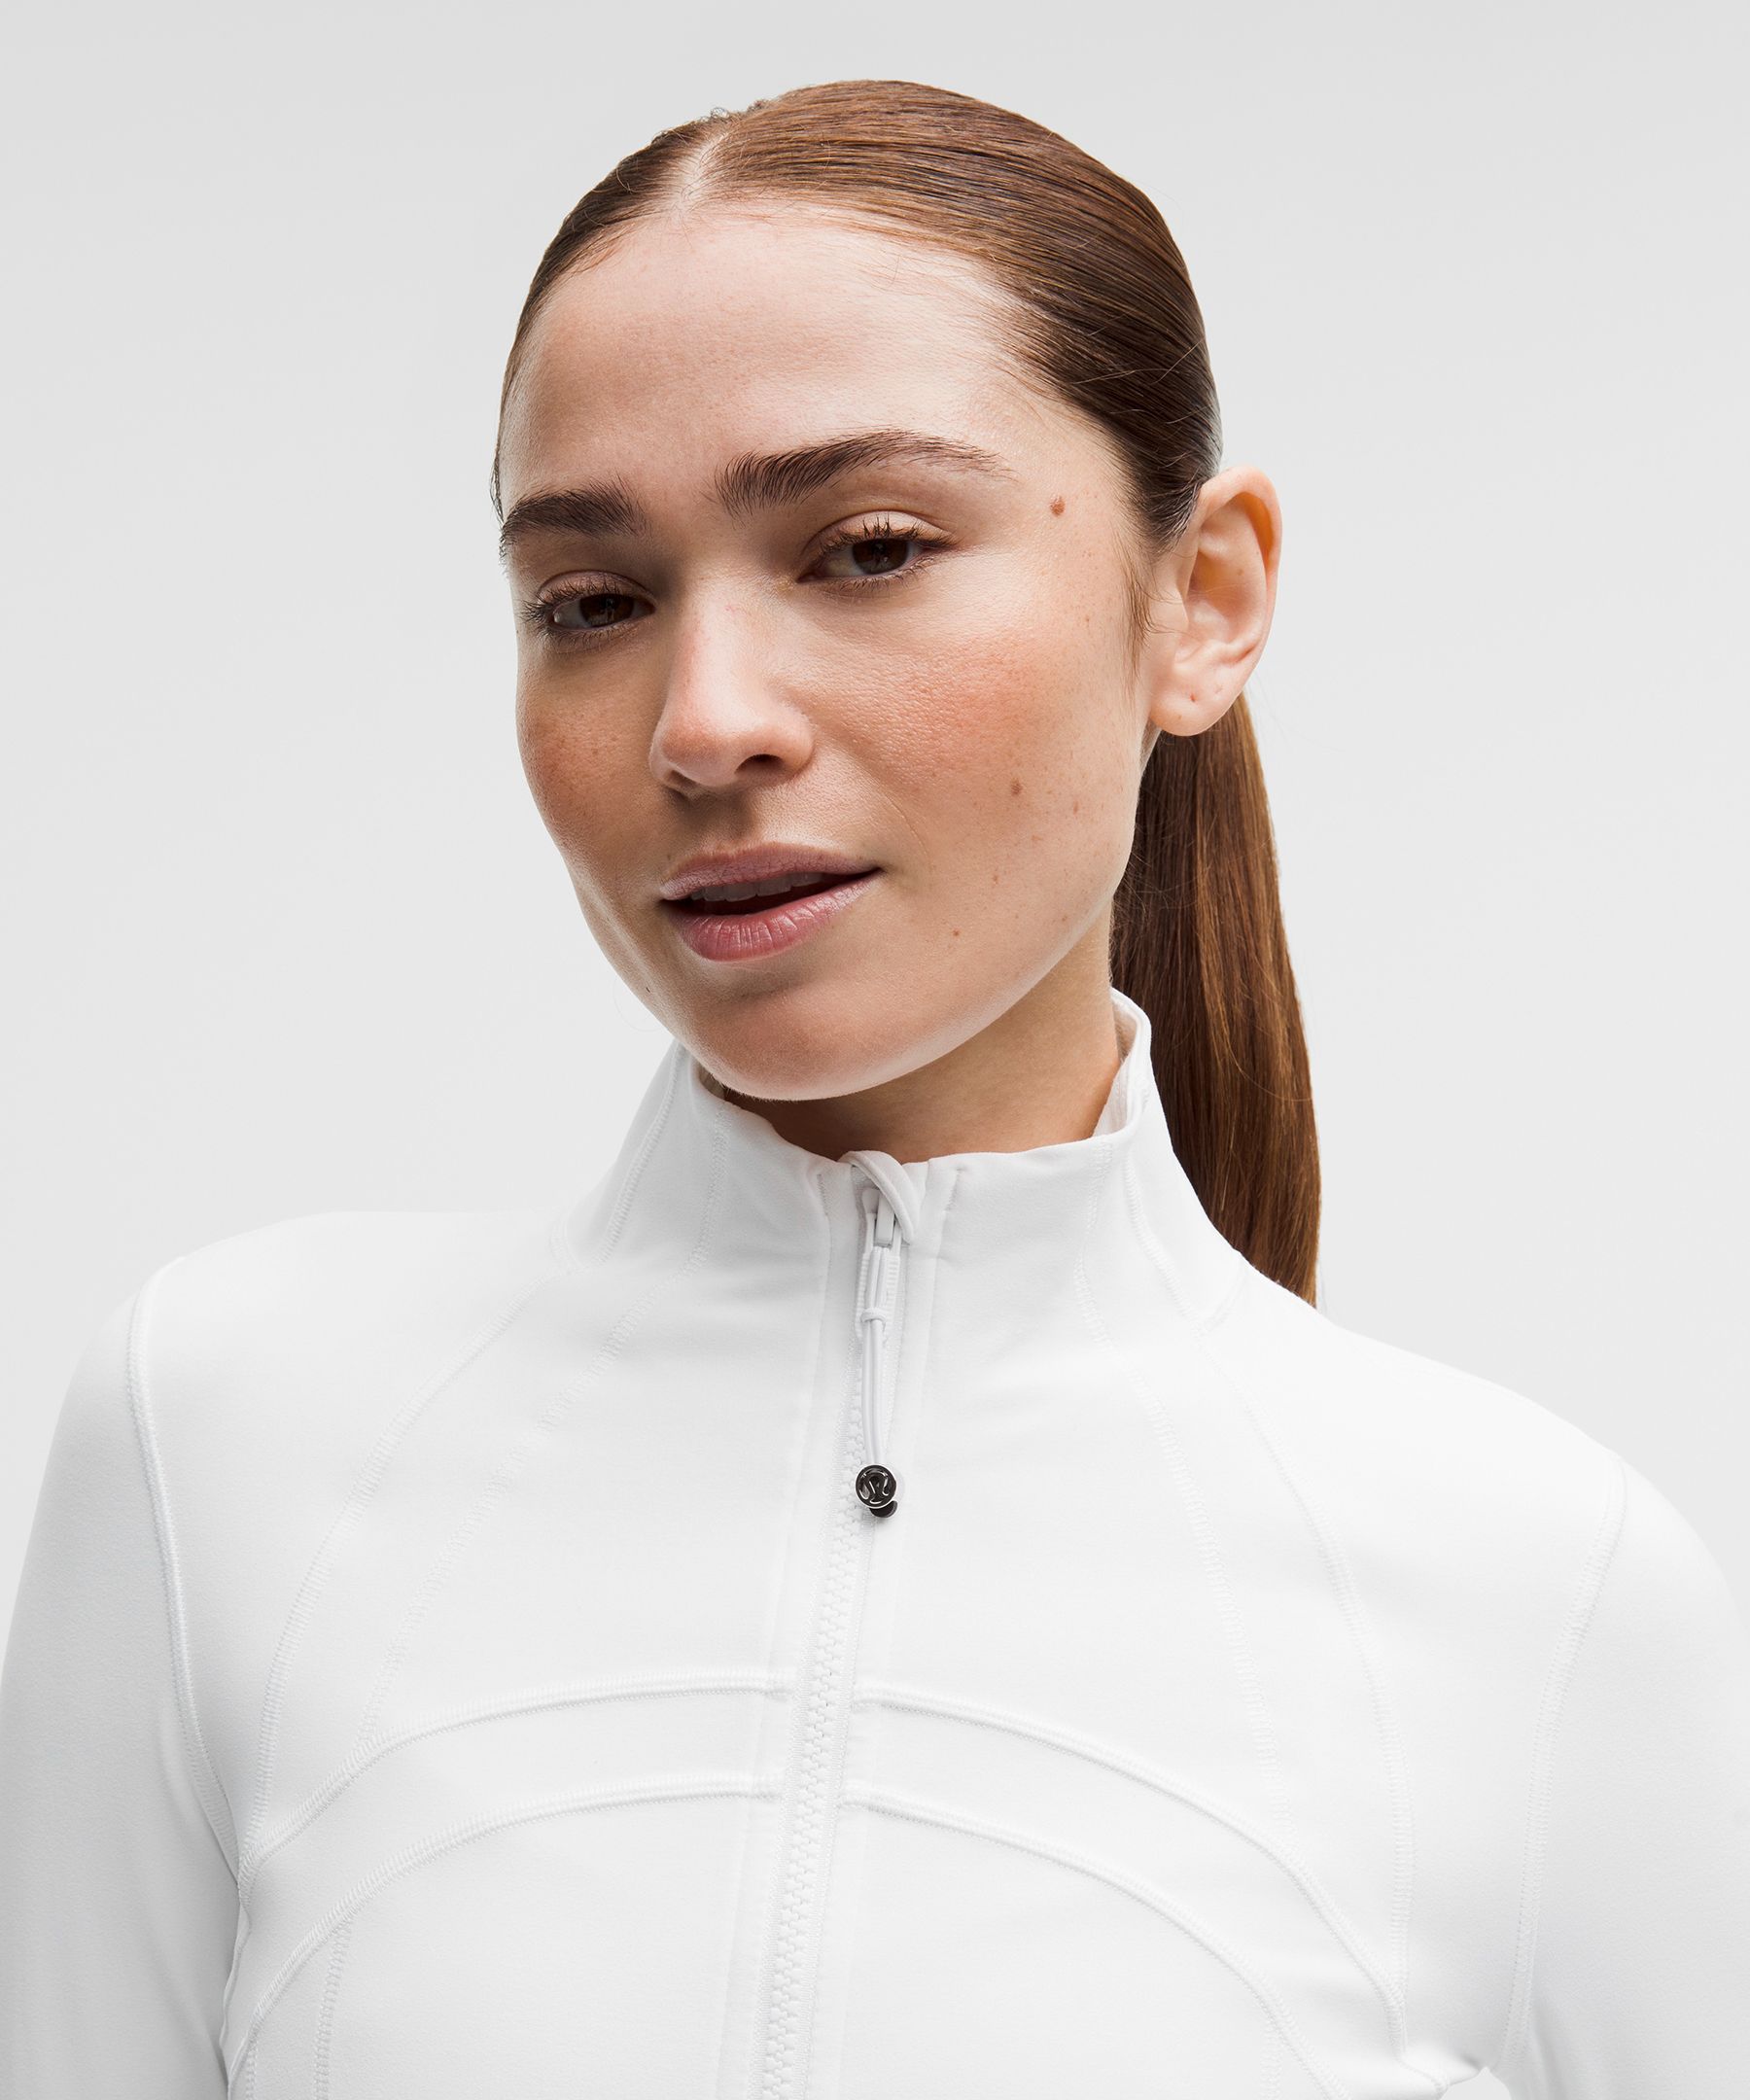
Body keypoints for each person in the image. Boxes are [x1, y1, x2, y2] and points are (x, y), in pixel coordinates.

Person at [2, 75, 1746, 2100]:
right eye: (592, 600)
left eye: (869, 548)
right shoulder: (222, 1446)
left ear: (1203, 599)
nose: (706, 722)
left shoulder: (1544, 1601)